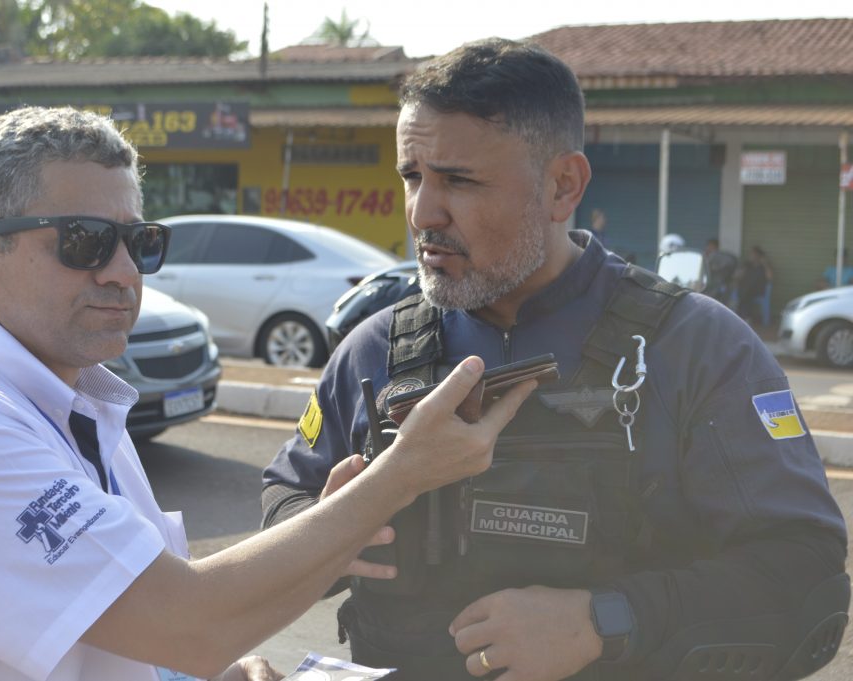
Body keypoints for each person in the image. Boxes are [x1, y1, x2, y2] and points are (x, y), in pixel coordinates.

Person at [0, 105, 534, 681]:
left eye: (139, 242)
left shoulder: (77, 403)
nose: (123, 272)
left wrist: (221, 668)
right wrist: (398, 477)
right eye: (83, 241)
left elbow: (139, 619)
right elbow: (186, 620)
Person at [262, 39, 848, 681]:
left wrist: (608, 621)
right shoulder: (374, 351)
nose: (423, 213)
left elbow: (805, 578)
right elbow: (285, 493)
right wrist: (323, 531)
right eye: (412, 176)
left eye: (459, 180)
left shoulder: (698, 350)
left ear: (562, 186)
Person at [736, 245, 773, 327]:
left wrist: (765, 264)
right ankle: (746, 317)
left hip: (758, 290)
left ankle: (742, 317)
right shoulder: (747, 265)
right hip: (745, 289)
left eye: (753, 254)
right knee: (745, 293)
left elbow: (770, 278)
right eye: (751, 254)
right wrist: (742, 269)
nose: (751, 256)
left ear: (759, 256)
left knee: (745, 293)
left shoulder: (763, 266)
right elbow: (738, 276)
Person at [702, 238, 738, 304]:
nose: (707, 247)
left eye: (708, 245)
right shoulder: (725, 256)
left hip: (714, 288)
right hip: (723, 287)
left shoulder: (713, 256)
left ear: (712, 245)